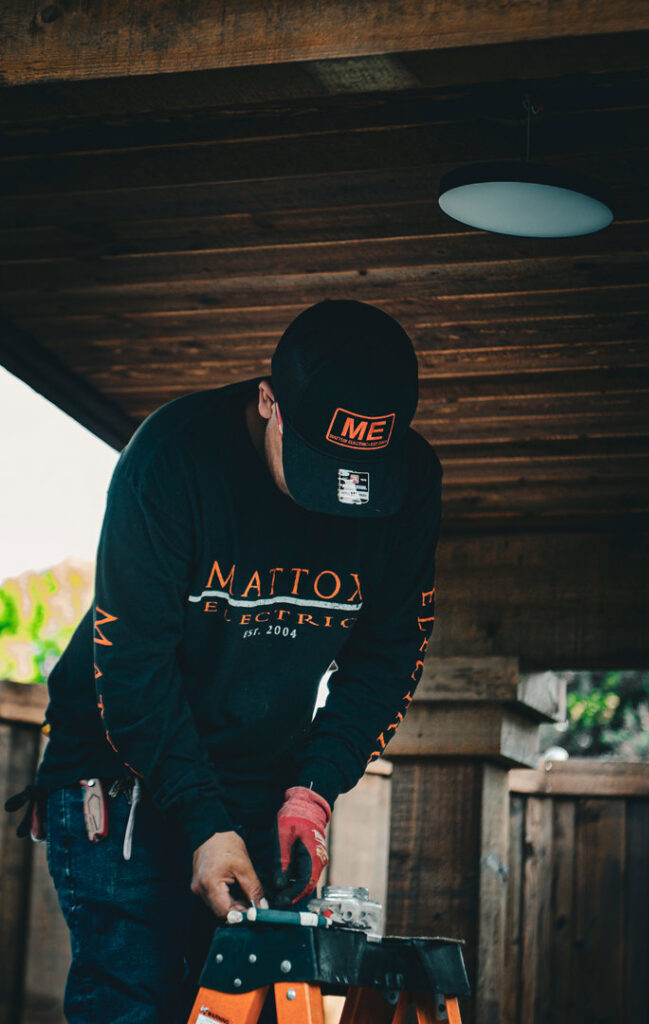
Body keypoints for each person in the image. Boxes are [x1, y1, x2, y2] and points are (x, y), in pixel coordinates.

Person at [6, 298, 442, 1024]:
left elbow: (388, 659)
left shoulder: (413, 484)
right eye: (313, 465)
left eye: (356, 477)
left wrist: (313, 790)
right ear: (268, 401)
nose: (333, 507)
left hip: (258, 775)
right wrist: (206, 823)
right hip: (124, 771)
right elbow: (135, 669)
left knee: (248, 1008)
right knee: (135, 1002)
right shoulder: (174, 458)